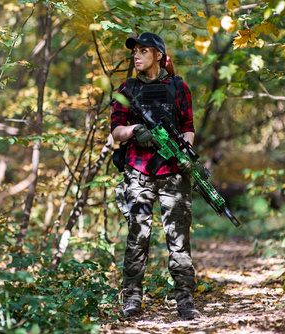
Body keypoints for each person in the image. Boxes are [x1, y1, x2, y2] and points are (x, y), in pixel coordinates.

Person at [110, 32, 200, 320]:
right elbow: (115, 131)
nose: (136, 55)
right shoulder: (127, 88)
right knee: (138, 236)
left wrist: (184, 152)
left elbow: (188, 126)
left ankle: (185, 302)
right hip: (138, 170)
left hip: (173, 172)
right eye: (134, 51)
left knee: (178, 240)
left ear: (158, 55)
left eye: (143, 51)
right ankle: (132, 300)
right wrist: (135, 131)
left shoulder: (178, 86)